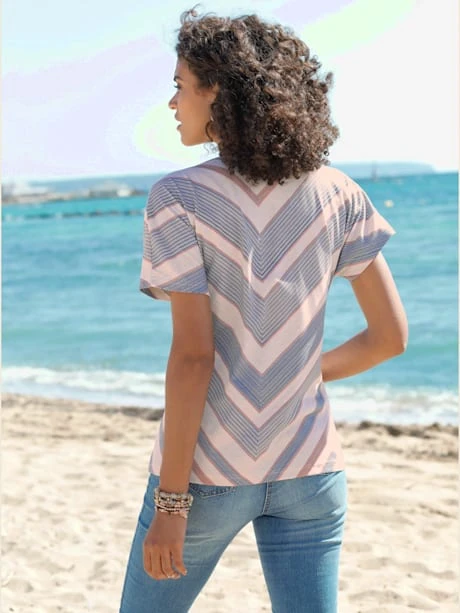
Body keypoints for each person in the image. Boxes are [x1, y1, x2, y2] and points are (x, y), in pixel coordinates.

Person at [119, 9, 408, 613]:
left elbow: (194, 358)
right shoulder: (339, 192)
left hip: (208, 475)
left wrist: (171, 505)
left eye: (179, 85)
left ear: (217, 91)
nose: (171, 102)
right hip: (311, 469)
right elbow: (388, 338)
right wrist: (293, 375)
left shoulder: (178, 197)